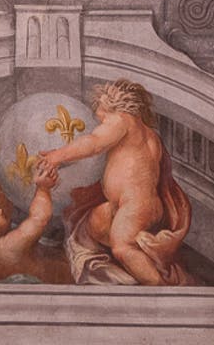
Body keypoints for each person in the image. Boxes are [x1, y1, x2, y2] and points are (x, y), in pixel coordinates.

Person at [34, 79, 189, 286]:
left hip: (136, 205)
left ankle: (161, 292)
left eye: (101, 115)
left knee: (122, 247)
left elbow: (94, 143)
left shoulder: (121, 120)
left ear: (111, 104)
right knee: (88, 225)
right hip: (136, 205)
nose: (100, 122)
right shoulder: (148, 134)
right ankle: (117, 273)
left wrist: (57, 156)